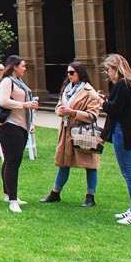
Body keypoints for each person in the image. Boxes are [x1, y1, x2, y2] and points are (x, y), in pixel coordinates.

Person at [39, 61, 102, 207]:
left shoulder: (88, 91)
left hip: (82, 131)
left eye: (72, 72)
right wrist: (59, 111)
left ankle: (90, 196)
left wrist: (74, 113)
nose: (69, 75)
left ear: (80, 73)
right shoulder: (67, 89)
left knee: (90, 164)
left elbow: (93, 114)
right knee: (63, 162)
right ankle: (55, 193)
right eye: (67, 72)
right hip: (66, 130)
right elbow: (59, 105)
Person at [101, 53, 131, 225]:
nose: (108, 74)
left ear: (115, 69)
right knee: (128, 173)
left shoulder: (122, 85)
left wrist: (101, 102)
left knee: (129, 173)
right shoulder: (129, 84)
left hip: (123, 131)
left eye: (108, 70)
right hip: (125, 130)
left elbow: (114, 109)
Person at [0, 55, 39, 213]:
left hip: (20, 125)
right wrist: (24, 104)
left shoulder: (19, 82)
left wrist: (30, 119)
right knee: (13, 161)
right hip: (8, 125)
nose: (25, 68)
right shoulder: (7, 81)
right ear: (14, 67)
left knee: (11, 160)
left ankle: (9, 194)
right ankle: (13, 200)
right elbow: (3, 101)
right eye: (23, 66)